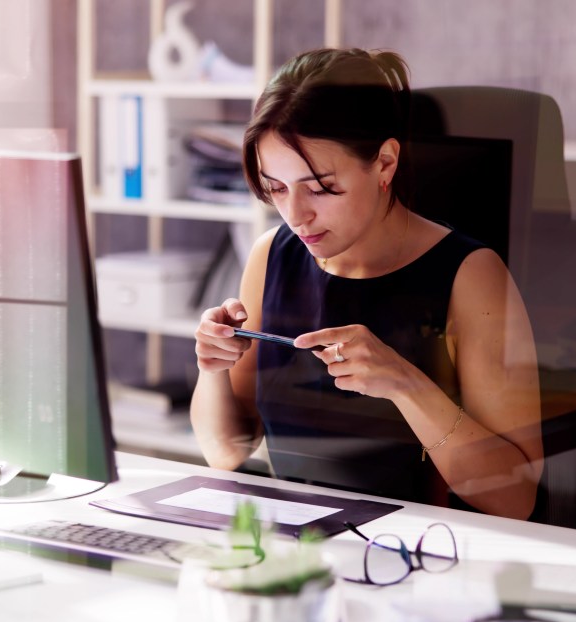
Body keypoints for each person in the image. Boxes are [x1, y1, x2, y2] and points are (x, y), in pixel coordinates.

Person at [190, 48, 542, 521]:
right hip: (305, 543)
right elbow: (226, 452)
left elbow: (513, 501)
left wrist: (406, 384)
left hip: (426, 553)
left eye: (319, 187)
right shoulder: (270, 256)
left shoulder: (471, 273)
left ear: (384, 164)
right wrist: (211, 369)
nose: (296, 215)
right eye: (277, 188)